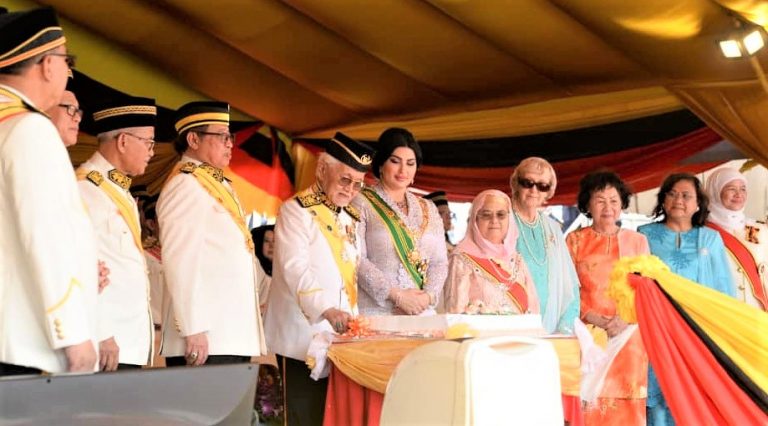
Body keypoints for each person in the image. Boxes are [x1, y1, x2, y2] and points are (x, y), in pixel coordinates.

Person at [0, 6, 98, 375]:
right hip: (23, 341)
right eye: (66, 61)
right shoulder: (30, 129)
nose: (67, 72)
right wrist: (71, 331)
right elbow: (45, 234)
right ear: (46, 65)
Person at [264, 132, 375, 425]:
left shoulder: (350, 217)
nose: (351, 190)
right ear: (322, 169)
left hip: (339, 337)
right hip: (301, 336)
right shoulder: (296, 211)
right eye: (345, 180)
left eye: (358, 184)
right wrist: (326, 309)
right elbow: (294, 268)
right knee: (302, 417)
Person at [158, 101, 266, 367]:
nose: (230, 145)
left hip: (228, 334)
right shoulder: (186, 184)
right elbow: (180, 259)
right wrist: (192, 327)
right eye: (222, 137)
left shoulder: (215, 183)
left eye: (231, 137)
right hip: (205, 338)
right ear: (193, 139)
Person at [638, 172, 735, 426]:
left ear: (698, 203)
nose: (678, 200)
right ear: (663, 200)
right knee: (660, 396)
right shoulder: (643, 235)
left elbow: (724, 289)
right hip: (657, 331)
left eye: (685, 195)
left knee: (697, 397)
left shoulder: (710, 239)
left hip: (698, 333)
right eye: (672, 194)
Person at [76, 97, 157, 371]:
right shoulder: (86, 189)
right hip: (105, 345)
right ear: (123, 141)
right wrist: (101, 331)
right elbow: (81, 266)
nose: (151, 152)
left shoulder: (119, 190)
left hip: (127, 342)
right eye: (148, 143)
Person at [565, 171, 649, 425]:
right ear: (588, 204)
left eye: (613, 200)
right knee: (589, 403)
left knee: (628, 407)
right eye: (600, 200)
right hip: (589, 336)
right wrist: (596, 319)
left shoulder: (637, 241)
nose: (608, 207)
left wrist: (625, 319)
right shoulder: (575, 241)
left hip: (630, 337)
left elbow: (647, 290)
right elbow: (567, 292)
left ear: (622, 204)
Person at [352, 128, 448, 316]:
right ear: (381, 164)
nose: (403, 170)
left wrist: (427, 297)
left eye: (410, 163)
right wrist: (397, 296)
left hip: (421, 311)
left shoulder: (428, 208)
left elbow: (439, 262)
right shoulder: (361, 202)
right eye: (395, 161)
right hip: (377, 311)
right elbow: (356, 259)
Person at [509, 157, 579, 334]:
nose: (534, 190)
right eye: (528, 183)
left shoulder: (553, 228)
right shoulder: (502, 220)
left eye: (542, 186)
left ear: (549, 191)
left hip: (551, 329)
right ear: (516, 183)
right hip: (511, 325)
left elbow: (569, 285)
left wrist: (565, 329)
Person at [444, 189, 539, 314]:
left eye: (501, 215)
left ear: (509, 220)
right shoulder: (461, 259)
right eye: (486, 215)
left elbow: (533, 310)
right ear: (475, 220)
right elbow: (455, 313)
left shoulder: (516, 260)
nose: (494, 220)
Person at [705, 167, 768, 311]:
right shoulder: (701, 232)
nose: (739, 194)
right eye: (731, 189)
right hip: (723, 311)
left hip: (758, 311)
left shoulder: (759, 229)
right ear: (715, 192)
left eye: (743, 189)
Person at [251, 224, 275, 315]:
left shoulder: (282, 271)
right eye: (266, 241)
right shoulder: (254, 267)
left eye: (274, 241)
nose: (271, 245)